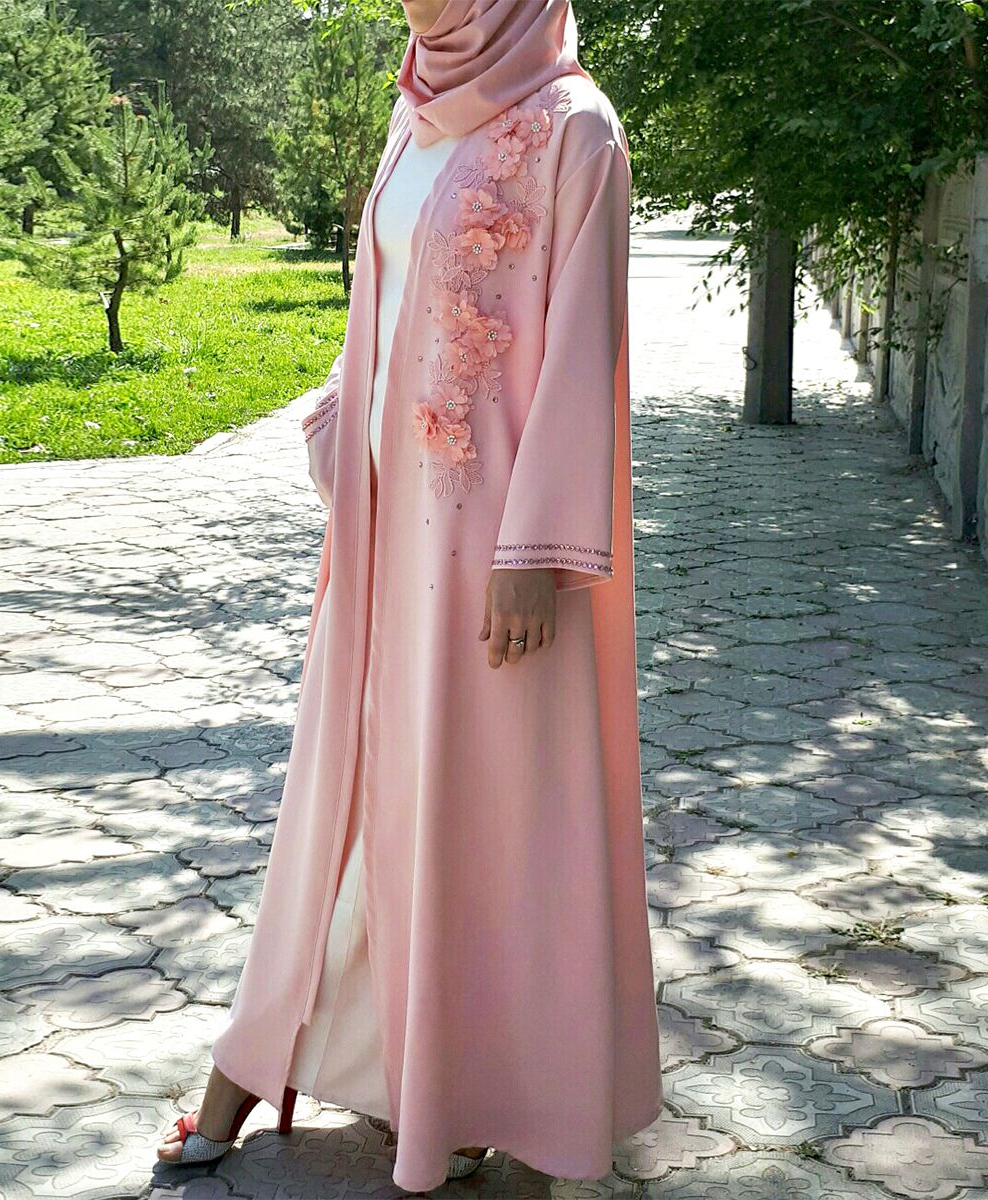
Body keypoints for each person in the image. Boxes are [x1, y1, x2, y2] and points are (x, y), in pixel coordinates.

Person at [156, 0, 663, 1191]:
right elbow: (378, 306)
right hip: (386, 531)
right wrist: (341, 427)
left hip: (495, 557)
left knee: (485, 816)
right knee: (346, 789)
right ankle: (268, 1052)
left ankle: (485, 1093)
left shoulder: (575, 128)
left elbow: (583, 348)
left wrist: (537, 551)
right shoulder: (416, 112)